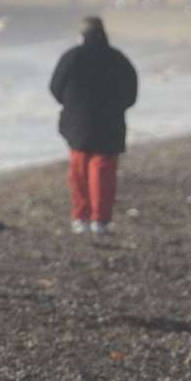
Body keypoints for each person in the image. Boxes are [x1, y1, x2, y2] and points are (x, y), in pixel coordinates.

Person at [49, 16, 139, 236]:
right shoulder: (118, 58)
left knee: (79, 171)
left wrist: (71, 105)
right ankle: (101, 220)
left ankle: (81, 218)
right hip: (110, 123)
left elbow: (55, 88)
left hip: (78, 122)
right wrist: (117, 107)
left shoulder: (71, 56)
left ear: (82, 34)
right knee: (103, 171)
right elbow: (131, 92)